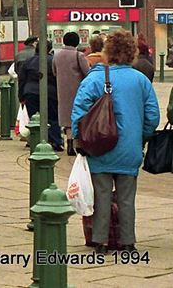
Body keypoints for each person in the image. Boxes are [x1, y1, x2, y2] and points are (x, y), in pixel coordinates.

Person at [71, 29, 160, 254]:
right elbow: (152, 116)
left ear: (107, 53)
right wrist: (141, 136)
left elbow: (78, 111)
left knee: (101, 195)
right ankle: (128, 242)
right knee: (126, 198)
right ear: (132, 54)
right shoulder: (140, 80)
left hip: (99, 146)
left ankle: (100, 242)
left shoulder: (95, 78)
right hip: (130, 148)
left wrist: (78, 140)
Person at [18, 39, 64, 150]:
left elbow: (22, 80)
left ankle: (36, 141)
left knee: (34, 118)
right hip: (50, 93)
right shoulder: (53, 61)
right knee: (53, 117)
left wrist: (21, 96)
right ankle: (55, 141)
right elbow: (59, 78)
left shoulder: (28, 61)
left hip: (31, 93)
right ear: (50, 49)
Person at [53, 31, 90, 156]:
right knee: (78, 116)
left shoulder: (57, 55)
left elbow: (54, 72)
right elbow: (87, 72)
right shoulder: (78, 55)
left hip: (62, 90)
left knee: (66, 118)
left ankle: (68, 143)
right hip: (78, 90)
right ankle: (76, 143)